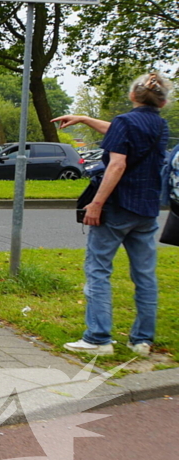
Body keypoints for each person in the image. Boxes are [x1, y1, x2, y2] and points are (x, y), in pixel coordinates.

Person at [52, 71, 171, 357]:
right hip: (147, 209)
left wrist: (96, 204)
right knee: (145, 276)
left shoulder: (125, 122)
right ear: (163, 102)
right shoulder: (160, 125)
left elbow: (117, 164)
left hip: (117, 207)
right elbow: (120, 132)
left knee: (98, 271)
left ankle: (98, 339)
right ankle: (142, 341)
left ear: (132, 95)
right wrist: (85, 119)